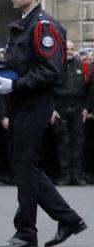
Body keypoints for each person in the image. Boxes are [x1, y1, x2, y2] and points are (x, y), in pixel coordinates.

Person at [0, 0, 86, 247]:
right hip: (23, 100)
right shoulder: (23, 25)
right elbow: (22, 65)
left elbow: (50, 70)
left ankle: (26, 232)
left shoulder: (43, 26)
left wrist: (15, 85)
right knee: (24, 165)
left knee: (24, 165)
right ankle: (67, 219)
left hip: (35, 101)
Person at [51, 40, 90, 185]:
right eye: (67, 48)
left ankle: (77, 175)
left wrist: (87, 108)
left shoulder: (82, 66)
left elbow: (88, 90)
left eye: (72, 49)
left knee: (78, 142)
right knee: (63, 142)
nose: (69, 51)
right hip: (61, 108)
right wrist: (52, 109)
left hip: (78, 108)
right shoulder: (55, 66)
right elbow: (49, 90)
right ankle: (65, 175)